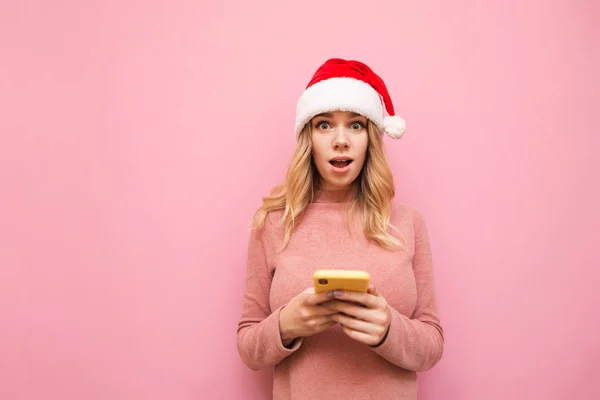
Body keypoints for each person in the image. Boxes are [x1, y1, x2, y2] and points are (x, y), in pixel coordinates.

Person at [236, 58, 444, 399]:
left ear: (371, 139)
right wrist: (286, 326)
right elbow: (248, 347)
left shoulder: (408, 222)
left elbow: (432, 345)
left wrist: (389, 329)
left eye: (356, 126)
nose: (341, 140)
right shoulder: (272, 224)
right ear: (308, 137)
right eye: (324, 125)